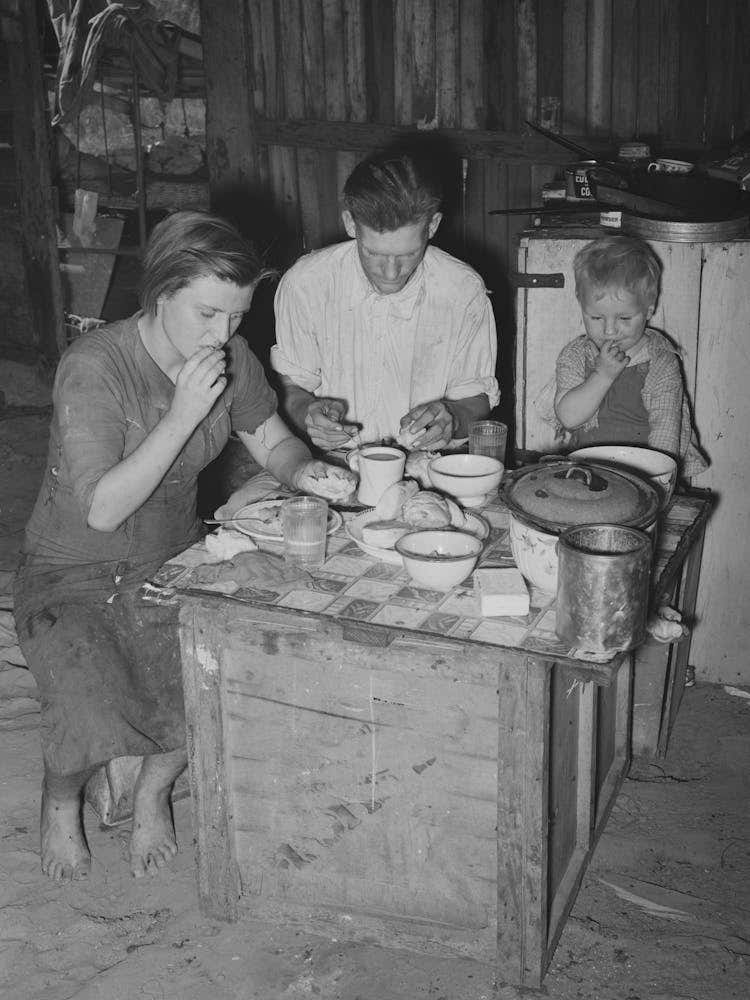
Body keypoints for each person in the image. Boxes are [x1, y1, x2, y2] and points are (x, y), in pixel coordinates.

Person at [13, 210, 355, 883]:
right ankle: (60, 801)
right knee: (85, 696)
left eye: (236, 316)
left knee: (205, 672)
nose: (221, 334)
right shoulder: (95, 366)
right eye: (206, 313)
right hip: (69, 570)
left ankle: (152, 792)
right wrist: (182, 413)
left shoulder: (232, 359)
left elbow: (273, 441)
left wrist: (305, 471)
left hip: (171, 558)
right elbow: (104, 509)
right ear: (161, 293)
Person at [270, 148, 500, 453]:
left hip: (428, 462)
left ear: (432, 226)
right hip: (332, 461)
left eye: (408, 254)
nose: (391, 273)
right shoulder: (306, 284)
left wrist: (453, 417)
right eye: (374, 253)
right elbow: (290, 387)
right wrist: (307, 412)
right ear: (351, 224)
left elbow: (477, 397)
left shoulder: (463, 290)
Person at [554, 234, 707, 476]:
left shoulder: (661, 361)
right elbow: (569, 418)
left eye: (624, 318)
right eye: (596, 317)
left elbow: (666, 435)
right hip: (587, 472)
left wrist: (652, 481)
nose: (609, 331)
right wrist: (603, 375)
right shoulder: (576, 356)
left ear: (649, 310)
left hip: (647, 474)